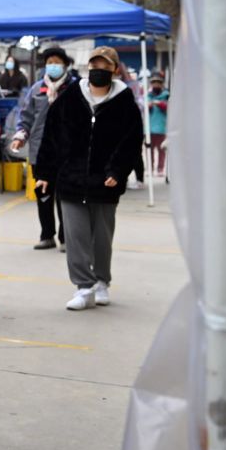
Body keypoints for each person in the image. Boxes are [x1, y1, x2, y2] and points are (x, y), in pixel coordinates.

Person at [35, 46, 144, 311]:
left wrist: (117, 172)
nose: (99, 70)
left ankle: (102, 281)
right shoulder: (71, 96)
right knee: (75, 237)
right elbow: (52, 134)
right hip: (70, 179)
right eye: (95, 64)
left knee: (102, 238)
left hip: (105, 182)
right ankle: (84, 288)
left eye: (105, 66)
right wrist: (46, 173)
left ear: (115, 70)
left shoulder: (125, 101)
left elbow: (131, 142)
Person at [11, 46, 76, 250]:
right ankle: (47, 235)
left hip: (67, 152)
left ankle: (66, 238)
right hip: (40, 151)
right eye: (49, 62)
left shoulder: (74, 88)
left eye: (57, 62)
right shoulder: (37, 89)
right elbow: (26, 117)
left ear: (65, 65)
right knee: (44, 195)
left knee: (65, 196)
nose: (53, 66)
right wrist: (20, 136)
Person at [148, 73, 169, 177]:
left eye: (158, 83)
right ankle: (150, 169)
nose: (156, 85)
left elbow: (168, 107)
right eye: (154, 83)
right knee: (149, 150)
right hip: (149, 128)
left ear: (162, 84)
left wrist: (159, 103)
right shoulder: (147, 96)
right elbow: (143, 107)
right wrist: (149, 105)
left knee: (162, 150)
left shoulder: (166, 95)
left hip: (161, 127)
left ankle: (160, 169)